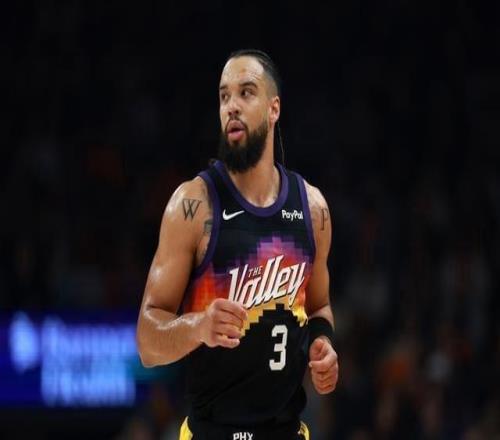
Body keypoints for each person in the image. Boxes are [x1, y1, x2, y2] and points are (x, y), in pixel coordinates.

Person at [136, 49, 339, 440]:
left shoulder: (313, 209)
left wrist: (323, 345)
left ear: (274, 108)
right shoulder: (193, 205)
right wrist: (198, 326)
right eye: (224, 96)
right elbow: (147, 342)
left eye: (246, 93)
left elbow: (320, 307)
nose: (231, 105)